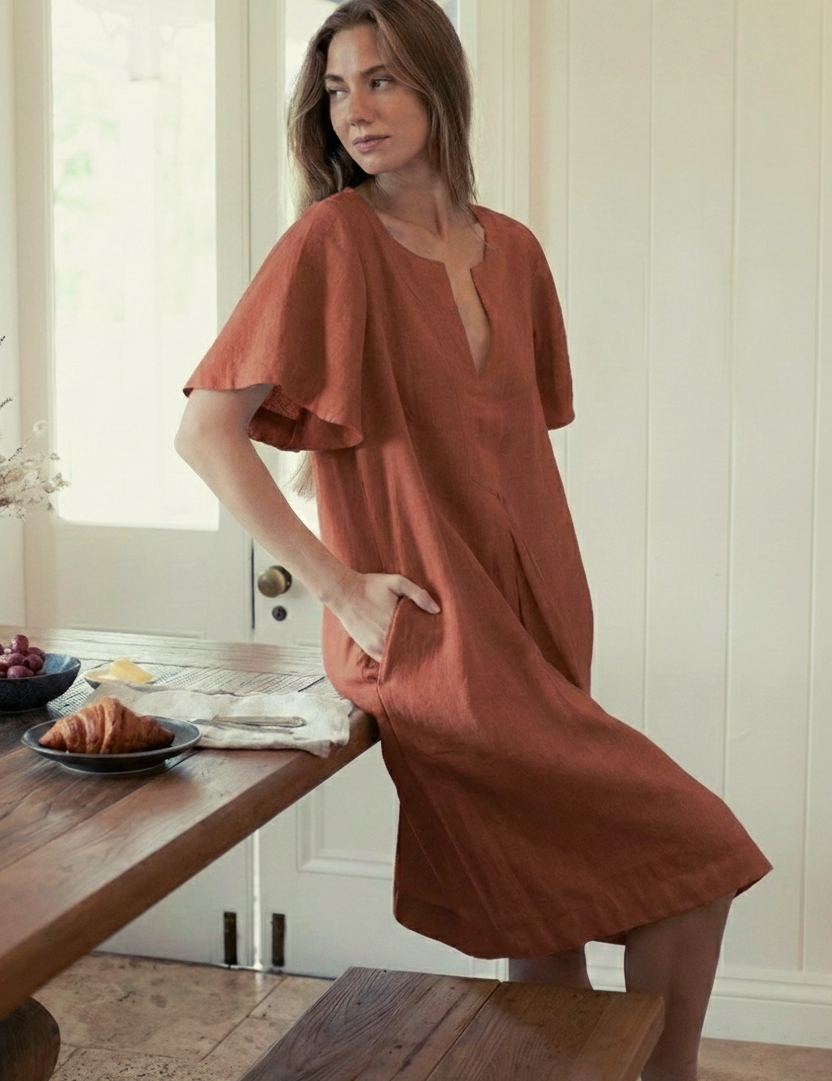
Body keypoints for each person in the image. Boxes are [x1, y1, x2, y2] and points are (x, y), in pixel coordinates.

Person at [175, 2, 771, 1078]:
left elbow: (506, 460)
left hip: (540, 620)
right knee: (699, 853)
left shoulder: (518, 253)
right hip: (431, 634)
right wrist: (340, 585)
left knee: (542, 911)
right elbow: (205, 433)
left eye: (383, 82)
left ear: (441, 86)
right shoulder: (330, 241)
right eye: (338, 89)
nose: (354, 110)